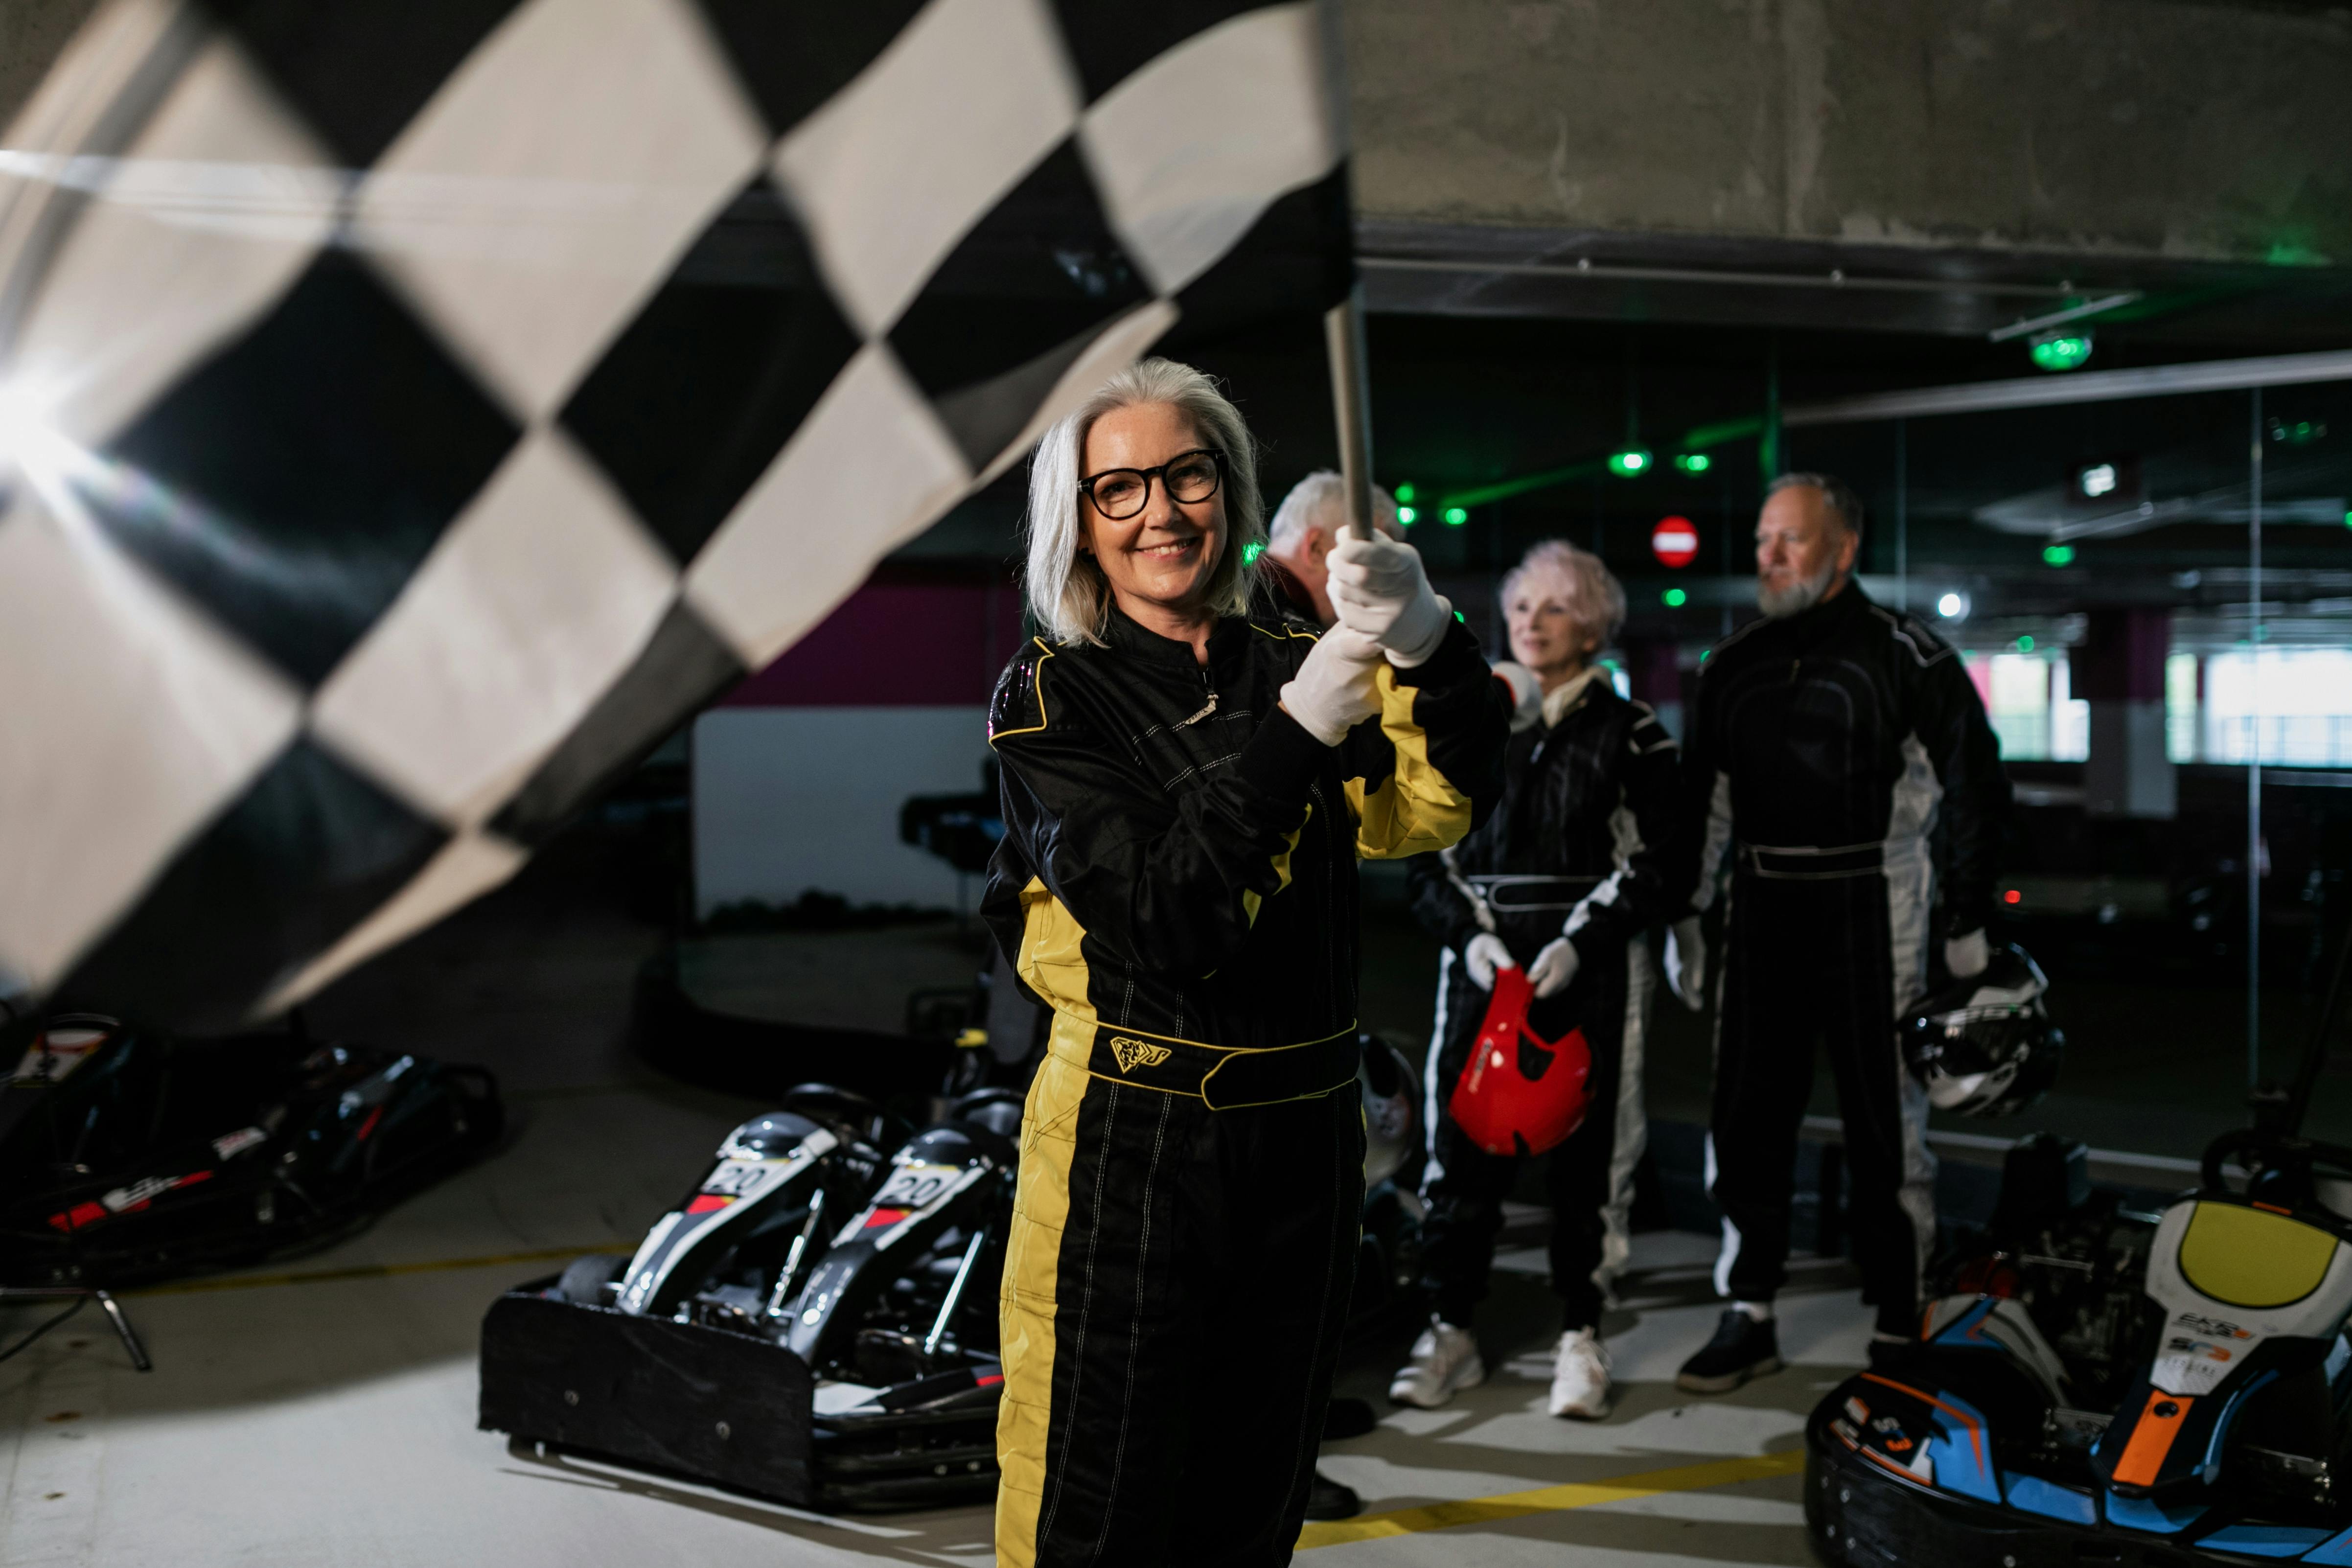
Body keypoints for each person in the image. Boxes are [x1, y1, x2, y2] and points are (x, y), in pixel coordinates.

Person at [982, 357, 1507, 1568]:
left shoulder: (1297, 648)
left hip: (1306, 1141)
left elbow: (1438, 801)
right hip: (1133, 1135)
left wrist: (1430, 641)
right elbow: (1169, 914)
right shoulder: (1050, 697)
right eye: (1119, 489)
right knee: (1094, 1511)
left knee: (1249, 1510)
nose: (1159, 511)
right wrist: (1299, 728)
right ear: (1079, 519)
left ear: (1229, 487)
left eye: (1185, 474)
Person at [1673, 473, 2006, 1394]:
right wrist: (1688, 913)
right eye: (1763, 539)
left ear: (1844, 549)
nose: (1769, 556)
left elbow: (1977, 786)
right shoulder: (1732, 666)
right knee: (1746, 1116)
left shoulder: (1910, 656)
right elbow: (1702, 801)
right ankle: (1748, 1310)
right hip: (1762, 904)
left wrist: (1968, 922)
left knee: (1885, 1130)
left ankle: (1902, 1320)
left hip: (1877, 901)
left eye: (1792, 540)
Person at [1392, 541, 1688, 1420]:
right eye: (1522, 605)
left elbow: (1668, 863)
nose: (1530, 621)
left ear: (1593, 624)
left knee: (1591, 1153)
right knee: (1462, 1142)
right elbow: (1419, 856)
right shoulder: (1470, 725)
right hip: (1482, 964)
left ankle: (1581, 1331)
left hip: (1587, 966)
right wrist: (1472, 944)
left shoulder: (1635, 733)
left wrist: (1582, 938)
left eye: (1554, 607)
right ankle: (1451, 1326)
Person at [1262, 469, 1404, 624]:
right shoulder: (1279, 631)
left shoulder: (1253, 608)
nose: (1380, 588)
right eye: (1371, 562)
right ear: (1317, 549)